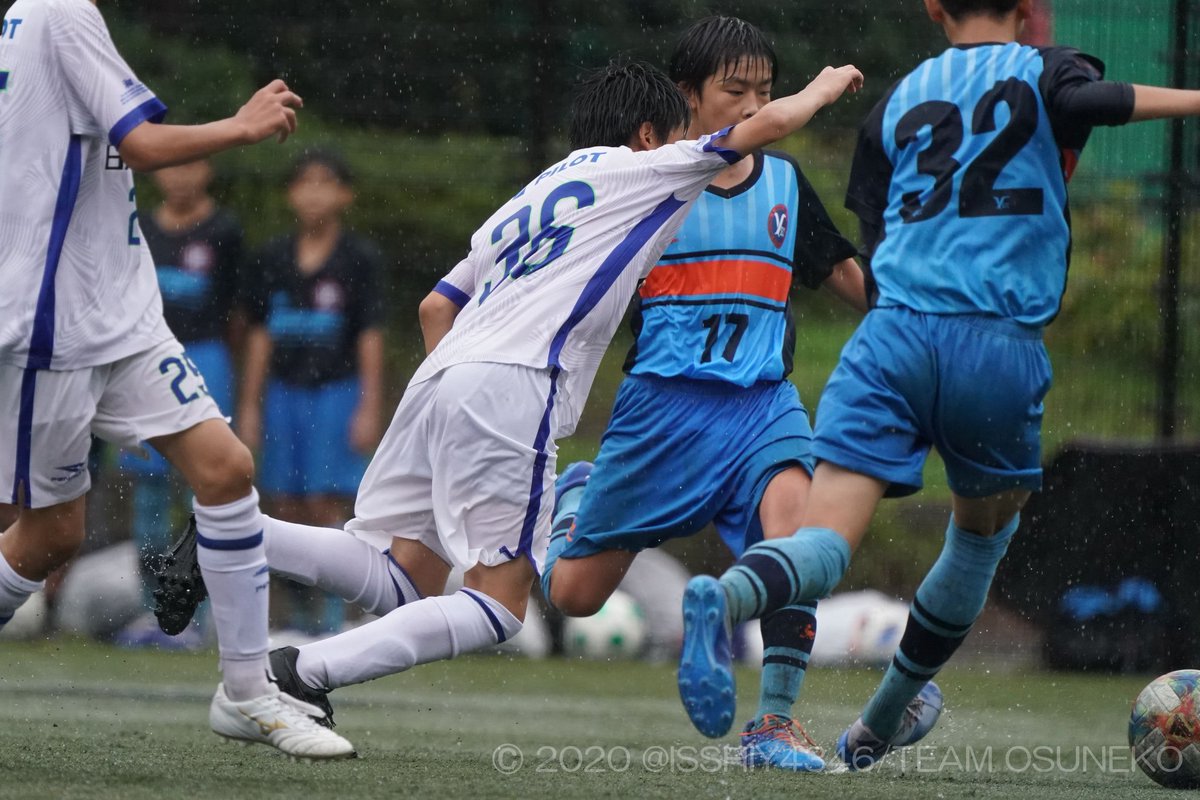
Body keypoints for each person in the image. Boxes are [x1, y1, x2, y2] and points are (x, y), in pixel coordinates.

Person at [153, 58, 865, 734]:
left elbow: (436, 307)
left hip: (441, 379)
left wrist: (465, 397)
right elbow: (762, 130)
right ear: (649, 135)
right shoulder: (647, 169)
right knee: (500, 606)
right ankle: (301, 670)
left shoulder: (536, 192)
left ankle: (238, 532)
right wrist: (827, 85)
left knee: (404, 576)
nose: (688, 147)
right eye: (678, 133)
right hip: (512, 385)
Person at [676, 0, 1200, 771]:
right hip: (993, 340)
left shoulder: (895, 101)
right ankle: (878, 723)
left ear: (932, 7)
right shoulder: (1048, 68)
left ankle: (724, 600)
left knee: (822, 541)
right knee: (980, 539)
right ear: (1027, 8)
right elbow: (1089, 104)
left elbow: (884, 234)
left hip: (890, 338)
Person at [0, 0, 353, 759]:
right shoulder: (58, 12)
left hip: (121, 315)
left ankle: (249, 692)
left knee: (225, 471)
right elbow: (141, 141)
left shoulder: (44, 20)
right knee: (48, 532)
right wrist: (242, 125)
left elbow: (97, 149)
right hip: (55, 329)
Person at [540, 16, 866, 771]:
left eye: (764, 90)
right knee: (574, 596)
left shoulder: (784, 185)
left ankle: (774, 726)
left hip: (761, 405)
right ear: (688, 97)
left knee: (796, 535)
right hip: (662, 413)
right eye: (734, 91)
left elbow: (848, 276)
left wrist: (917, 321)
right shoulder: (652, 182)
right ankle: (576, 502)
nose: (753, 106)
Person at [239, 148, 385, 637]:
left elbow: (370, 335)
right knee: (284, 504)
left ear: (346, 194)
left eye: (326, 182)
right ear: (290, 194)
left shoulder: (360, 260)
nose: (314, 193)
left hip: (335, 392)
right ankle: (295, 620)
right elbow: (260, 335)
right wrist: (249, 406)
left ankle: (332, 619)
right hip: (283, 393)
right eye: (305, 182)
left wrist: (368, 406)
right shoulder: (273, 257)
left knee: (326, 503)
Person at [113, 158, 244, 649]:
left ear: (209, 170)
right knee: (147, 495)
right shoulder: (139, 227)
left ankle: (200, 616)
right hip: (145, 358)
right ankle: (155, 612)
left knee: (204, 490)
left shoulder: (224, 231)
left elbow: (238, 315)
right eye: (172, 165)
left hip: (207, 359)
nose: (180, 175)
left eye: (191, 165)